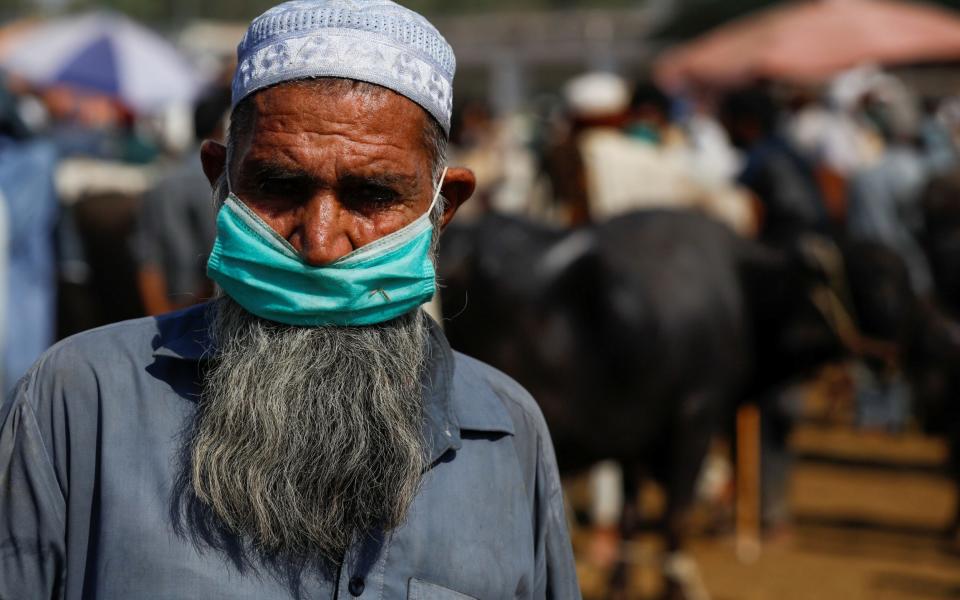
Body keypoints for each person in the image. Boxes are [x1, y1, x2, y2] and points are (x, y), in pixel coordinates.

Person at [0, 2, 580, 599]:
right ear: (218, 181)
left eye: (371, 194)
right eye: (279, 186)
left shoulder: (508, 433)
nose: (322, 244)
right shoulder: (77, 404)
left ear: (443, 208)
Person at [132, 87, 230, 315]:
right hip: (217, 314)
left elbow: (148, 265)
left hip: (172, 316)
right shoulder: (228, 180)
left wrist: (164, 323)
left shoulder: (162, 181)